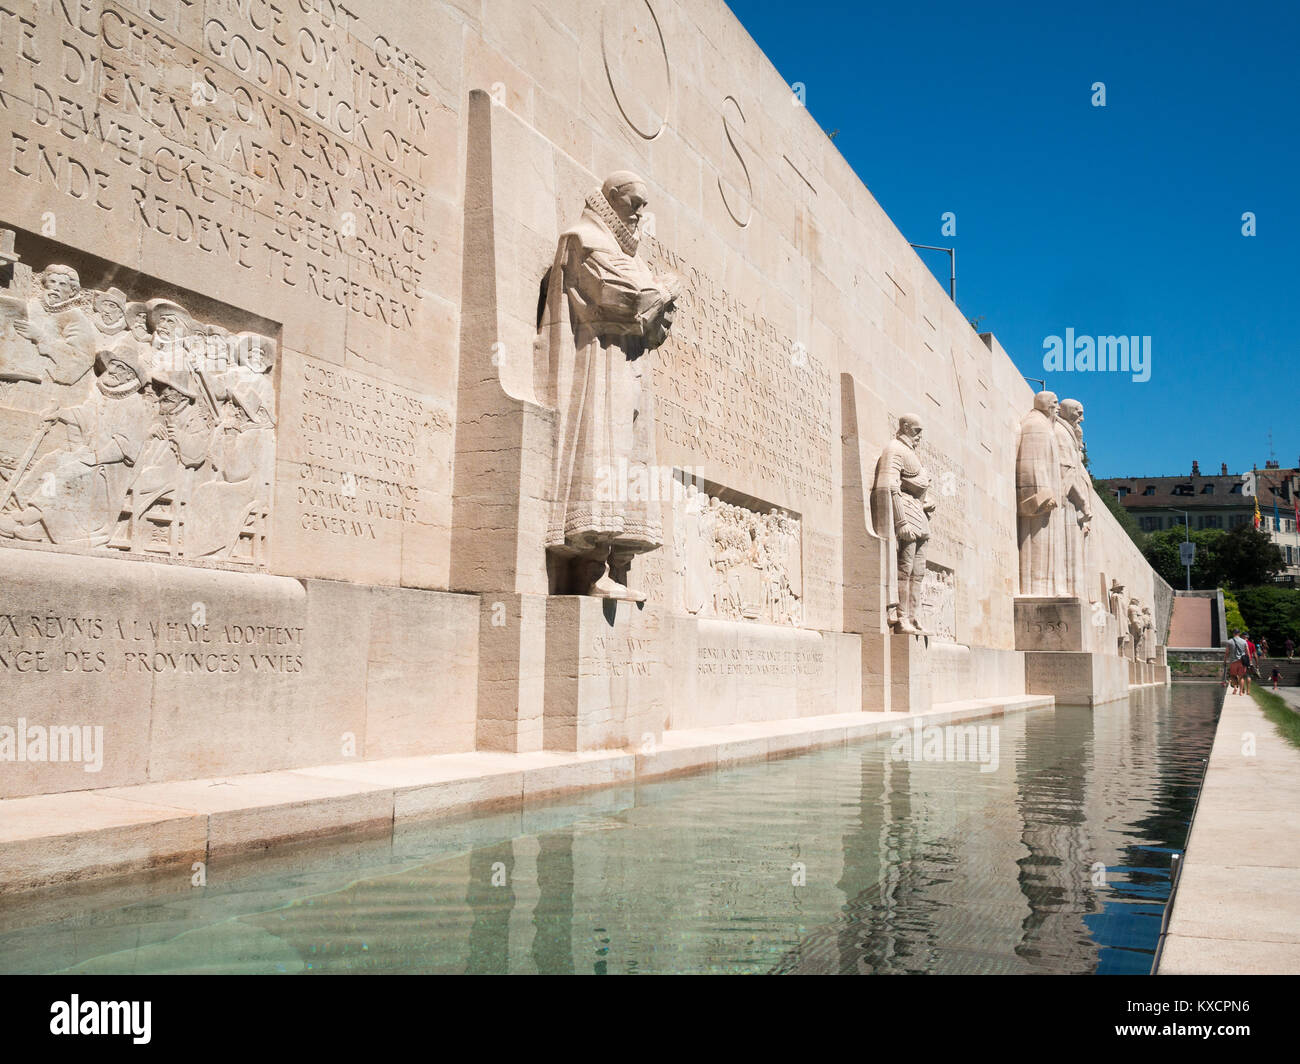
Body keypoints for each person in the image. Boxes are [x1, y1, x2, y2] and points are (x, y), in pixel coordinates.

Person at [1224, 629, 1250, 695]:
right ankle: (1240, 692)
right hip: (1242, 661)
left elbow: (1227, 652)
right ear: (1239, 633)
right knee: (1241, 676)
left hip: (1233, 661)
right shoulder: (1244, 641)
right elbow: (1248, 652)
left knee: (1233, 676)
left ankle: (1235, 688)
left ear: (1233, 633)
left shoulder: (1229, 641)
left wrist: (1225, 660)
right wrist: (1248, 661)